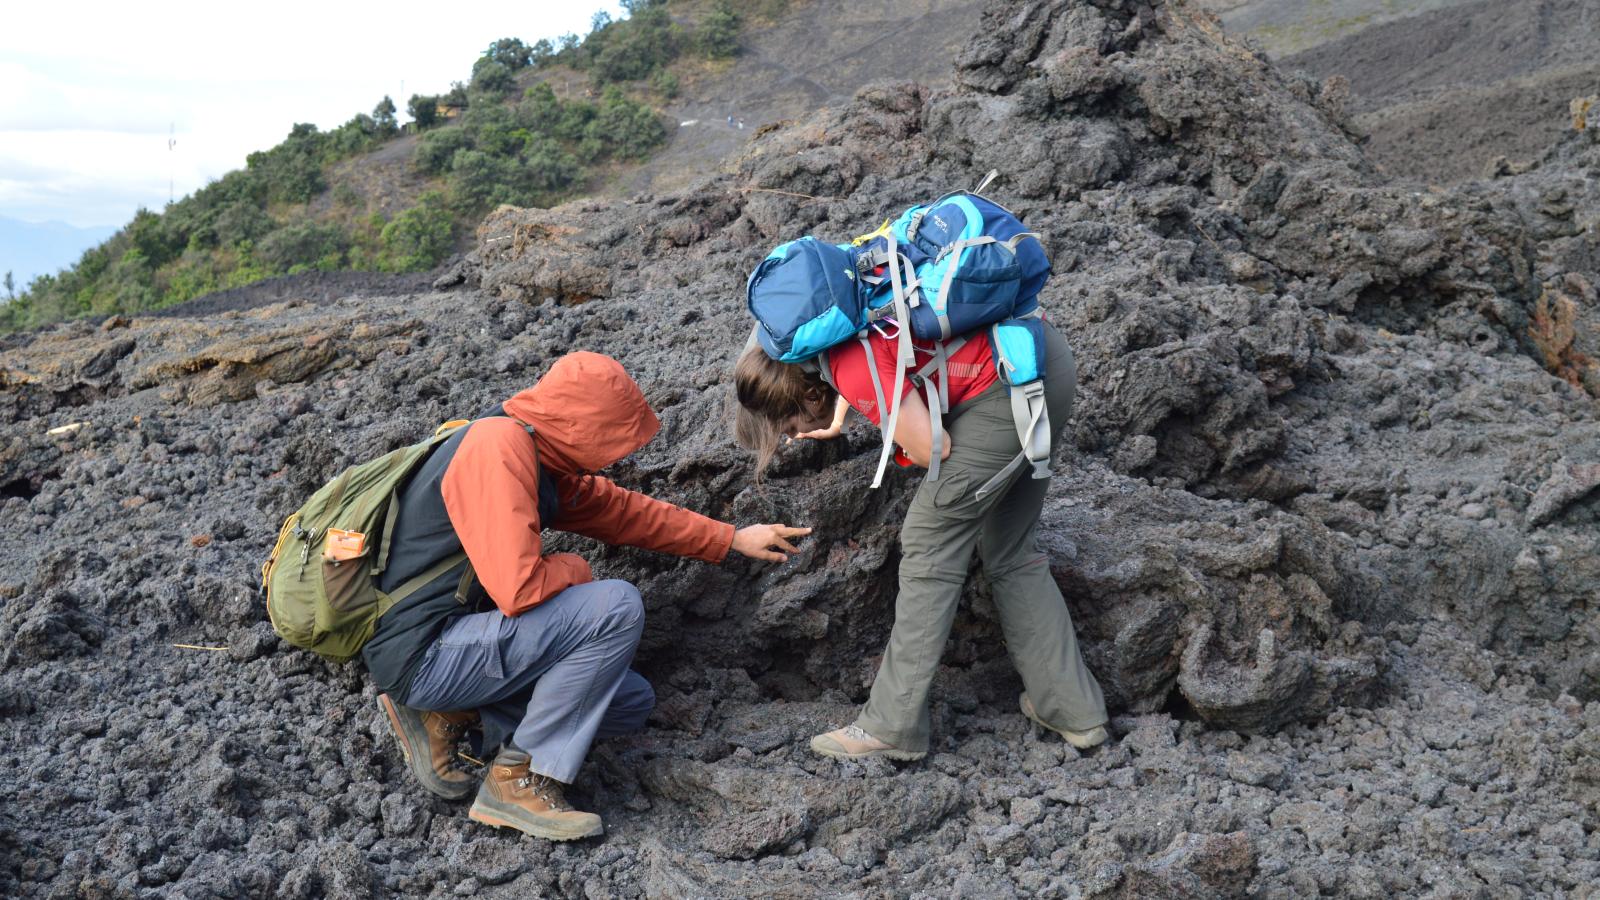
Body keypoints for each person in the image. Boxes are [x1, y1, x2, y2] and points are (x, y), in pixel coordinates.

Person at [367, 351, 809, 841]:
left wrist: (730, 538)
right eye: (611, 440)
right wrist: (575, 569)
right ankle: (517, 779)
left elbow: (622, 512)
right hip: (426, 653)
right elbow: (518, 590)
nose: (615, 458)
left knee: (627, 701)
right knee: (615, 606)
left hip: (460, 644)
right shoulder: (498, 448)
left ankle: (448, 713)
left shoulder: (542, 457)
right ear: (581, 426)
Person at [732, 317, 1108, 761]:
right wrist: (852, 412)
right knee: (1009, 549)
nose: (796, 435)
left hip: (1004, 395)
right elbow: (884, 362)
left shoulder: (850, 367)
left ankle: (891, 726)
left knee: (929, 545)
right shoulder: (832, 333)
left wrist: (897, 432)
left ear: (809, 394)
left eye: (790, 426)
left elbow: (934, 448)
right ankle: (1073, 710)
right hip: (1041, 364)